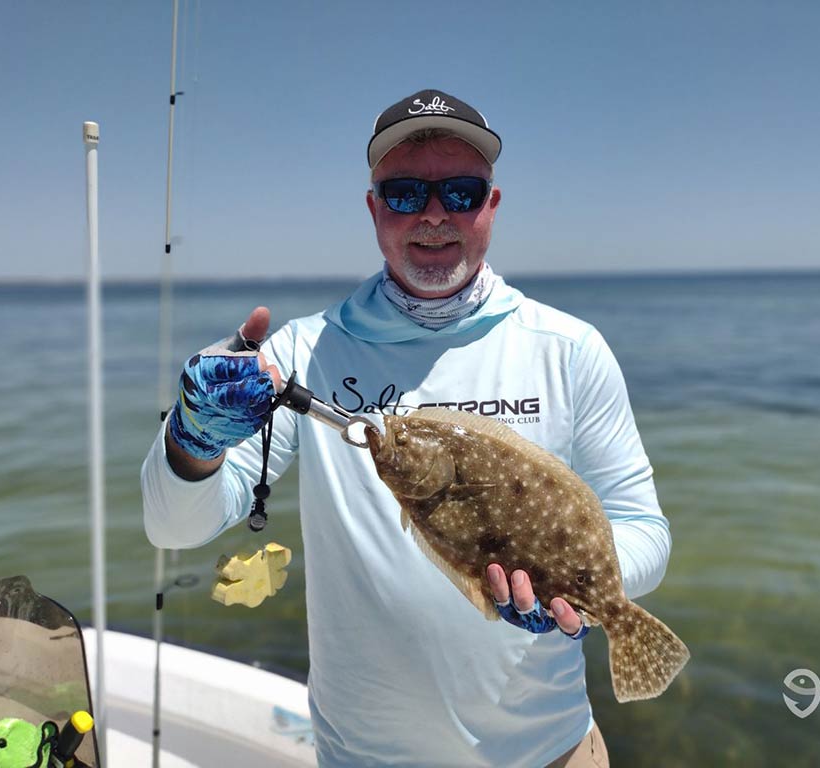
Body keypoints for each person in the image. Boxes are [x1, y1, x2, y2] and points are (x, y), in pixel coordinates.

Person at [142, 89, 671, 768]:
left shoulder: (568, 349)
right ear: (373, 208)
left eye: (459, 191)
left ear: (491, 204)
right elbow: (174, 528)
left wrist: (570, 583)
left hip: (550, 753)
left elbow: (645, 529)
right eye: (403, 194)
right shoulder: (304, 353)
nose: (432, 214)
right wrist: (192, 441)